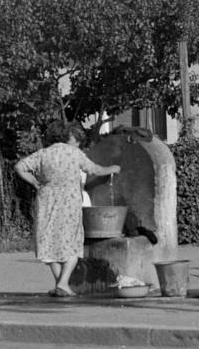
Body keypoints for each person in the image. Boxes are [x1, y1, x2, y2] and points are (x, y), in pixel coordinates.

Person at [14, 119, 120, 297]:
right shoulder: (74, 153)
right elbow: (94, 169)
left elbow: (19, 166)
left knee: (48, 241)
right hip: (69, 202)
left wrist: (34, 181)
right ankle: (63, 283)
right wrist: (113, 168)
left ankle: (60, 284)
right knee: (72, 241)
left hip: (46, 201)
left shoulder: (42, 154)